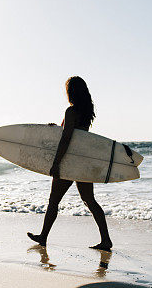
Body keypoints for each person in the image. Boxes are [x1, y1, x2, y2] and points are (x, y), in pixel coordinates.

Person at [27, 76, 113, 251]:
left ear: (70, 92)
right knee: (89, 200)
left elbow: (67, 139)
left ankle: (43, 237)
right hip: (83, 161)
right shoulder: (87, 111)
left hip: (69, 162)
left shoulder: (71, 111)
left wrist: (56, 163)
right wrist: (56, 129)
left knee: (54, 201)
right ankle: (106, 240)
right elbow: (74, 134)